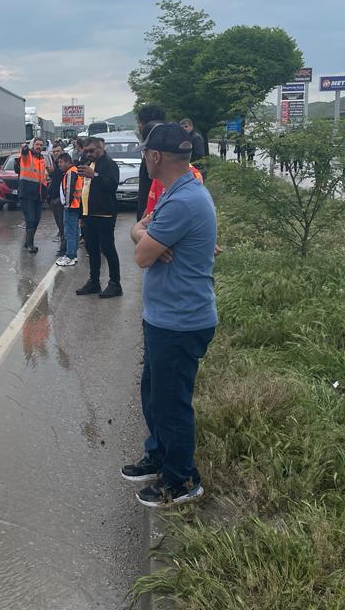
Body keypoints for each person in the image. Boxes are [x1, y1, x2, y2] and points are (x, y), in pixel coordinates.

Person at [124, 123, 217, 508]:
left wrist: (146, 239)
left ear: (155, 156)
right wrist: (145, 235)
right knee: (154, 394)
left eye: (145, 152)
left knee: (172, 403)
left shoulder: (182, 201)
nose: (144, 158)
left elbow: (142, 254)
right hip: (164, 317)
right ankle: (159, 455)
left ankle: (181, 481)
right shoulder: (175, 193)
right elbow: (138, 231)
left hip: (180, 321)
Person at [75, 137, 122, 298]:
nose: (88, 154)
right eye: (86, 151)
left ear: (101, 148)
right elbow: (85, 190)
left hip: (104, 214)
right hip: (90, 214)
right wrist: (82, 214)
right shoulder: (90, 164)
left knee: (108, 249)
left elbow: (112, 185)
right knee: (92, 249)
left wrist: (94, 175)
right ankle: (94, 282)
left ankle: (115, 284)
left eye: (91, 151)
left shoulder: (108, 163)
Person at [14, 137, 51, 254]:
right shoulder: (27, 155)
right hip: (27, 193)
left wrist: (45, 193)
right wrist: (24, 148)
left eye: (41, 145)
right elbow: (24, 153)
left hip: (38, 194)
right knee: (30, 219)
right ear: (33, 145)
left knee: (36, 219)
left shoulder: (42, 159)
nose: (39, 147)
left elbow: (43, 178)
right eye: (37, 144)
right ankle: (30, 245)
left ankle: (27, 241)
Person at [135, 104, 166, 222]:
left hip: (153, 223)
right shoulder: (170, 150)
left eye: (139, 124)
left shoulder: (157, 157)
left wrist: (146, 217)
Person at [55, 153, 82, 267]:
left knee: (69, 232)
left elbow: (68, 191)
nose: (59, 165)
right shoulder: (73, 171)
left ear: (67, 161)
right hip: (75, 206)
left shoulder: (71, 172)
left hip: (71, 206)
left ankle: (70, 256)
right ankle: (73, 255)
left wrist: (66, 205)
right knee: (74, 231)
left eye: (61, 162)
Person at [48, 141, 66, 248]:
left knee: (63, 226)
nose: (56, 153)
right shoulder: (55, 165)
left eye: (58, 151)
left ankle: (65, 249)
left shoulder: (64, 165)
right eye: (54, 151)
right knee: (60, 226)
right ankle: (63, 247)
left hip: (61, 199)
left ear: (63, 151)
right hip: (53, 199)